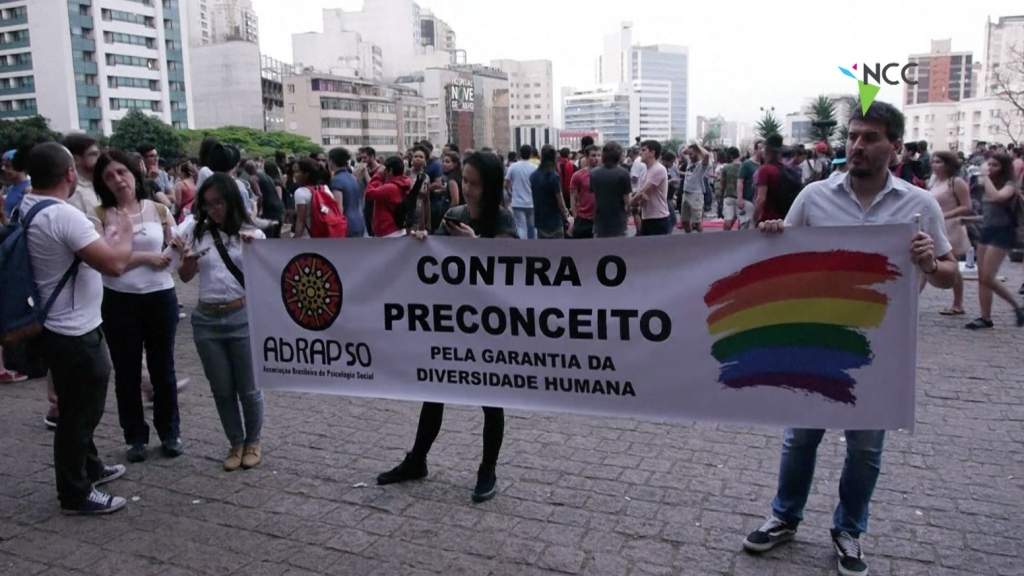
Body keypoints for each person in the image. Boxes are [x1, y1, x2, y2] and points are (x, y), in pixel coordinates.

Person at [745, 101, 957, 576]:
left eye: (871, 138)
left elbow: (947, 277)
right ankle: (784, 516)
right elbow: (778, 256)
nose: (858, 146)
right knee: (800, 437)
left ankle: (849, 530)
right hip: (817, 337)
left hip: (881, 348)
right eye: (854, 136)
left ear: (895, 147)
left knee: (865, 448)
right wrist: (774, 233)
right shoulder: (816, 197)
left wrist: (929, 262)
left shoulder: (919, 205)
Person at [377, 151, 516, 503]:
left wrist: (476, 248)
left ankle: (487, 469)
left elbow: (510, 275)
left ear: (491, 186)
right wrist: (425, 242)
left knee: (490, 399)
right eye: (464, 181)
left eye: (473, 183)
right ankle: (417, 459)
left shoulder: (503, 220)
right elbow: (435, 260)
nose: (466, 189)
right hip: (452, 319)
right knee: (434, 390)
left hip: (488, 324)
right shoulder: (454, 215)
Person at [22, 142, 137, 514]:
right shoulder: (63, 216)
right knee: (79, 413)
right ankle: (75, 491)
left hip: (55, 323)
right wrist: (125, 232)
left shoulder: (26, 205)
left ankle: (90, 467)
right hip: (74, 330)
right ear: (70, 174)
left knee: (75, 404)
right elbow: (114, 264)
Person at [90, 150, 183, 463]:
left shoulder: (157, 209)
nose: (118, 180)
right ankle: (135, 438)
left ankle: (170, 433)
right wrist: (144, 258)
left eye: (122, 172)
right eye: (109, 176)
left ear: (134, 173)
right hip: (119, 300)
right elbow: (103, 261)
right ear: (103, 183)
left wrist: (180, 248)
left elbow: (175, 248)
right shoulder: (100, 215)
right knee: (127, 372)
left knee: (163, 369)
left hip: (160, 296)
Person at [177, 173, 265, 471]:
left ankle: (253, 441)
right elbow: (186, 276)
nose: (214, 210)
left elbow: (265, 278)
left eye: (219, 203)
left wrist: (254, 250)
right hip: (206, 319)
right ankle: (235, 442)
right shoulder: (198, 233)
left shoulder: (252, 234)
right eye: (208, 204)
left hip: (242, 315)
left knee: (249, 387)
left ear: (232, 202)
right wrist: (187, 259)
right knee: (222, 388)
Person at [965, 153, 1024, 330]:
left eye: (995, 165)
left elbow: (997, 198)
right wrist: (968, 219)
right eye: (989, 164)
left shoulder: (1010, 185)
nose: (990, 168)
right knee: (982, 277)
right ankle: (985, 317)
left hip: (1004, 232)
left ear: (1004, 168)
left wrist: (984, 176)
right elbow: (989, 213)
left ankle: (1017, 307)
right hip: (988, 230)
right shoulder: (987, 185)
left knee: (988, 276)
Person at [927, 151, 972, 316]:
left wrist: (947, 214)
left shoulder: (956, 182)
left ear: (947, 164)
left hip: (952, 227)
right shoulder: (934, 181)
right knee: (926, 263)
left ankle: (958, 303)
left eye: (938, 162)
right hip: (935, 226)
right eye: (932, 161)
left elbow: (967, 206)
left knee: (951, 264)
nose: (933, 165)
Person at [591, 142, 632, 238]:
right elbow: (627, 201)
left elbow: (594, 194)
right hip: (618, 222)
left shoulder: (594, 173)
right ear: (618, 156)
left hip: (599, 221)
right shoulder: (623, 173)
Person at [364, 156, 413, 237]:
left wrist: (378, 175)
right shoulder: (404, 182)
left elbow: (369, 193)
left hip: (388, 231)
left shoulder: (391, 187)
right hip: (396, 229)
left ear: (390, 170)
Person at [630, 140, 670, 236]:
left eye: (643, 150)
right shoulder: (644, 171)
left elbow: (642, 191)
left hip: (659, 218)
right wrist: (640, 199)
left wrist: (629, 203)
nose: (640, 153)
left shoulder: (659, 169)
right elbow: (642, 195)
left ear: (652, 153)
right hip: (646, 217)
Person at [530, 145, 569, 239]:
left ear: (541, 156)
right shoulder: (553, 176)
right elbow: (560, 201)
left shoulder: (534, 175)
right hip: (554, 220)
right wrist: (565, 213)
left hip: (540, 218)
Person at [291, 158, 335, 239]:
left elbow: (301, 221)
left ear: (306, 174)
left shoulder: (301, 192)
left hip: (308, 237)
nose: (294, 175)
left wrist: (296, 242)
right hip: (326, 235)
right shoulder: (325, 188)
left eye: (297, 172)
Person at [328, 147, 365, 238]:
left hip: (346, 224)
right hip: (359, 221)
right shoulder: (353, 178)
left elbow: (338, 208)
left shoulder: (336, 180)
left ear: (331, 161)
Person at [504, 144, 538, 239]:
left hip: (517, 202)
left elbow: (506, 183)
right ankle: (533, 248)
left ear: (520, 153)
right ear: (530, 154)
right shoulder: (535, 167)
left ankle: (521, 248)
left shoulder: (513, 167)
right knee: (532, 227)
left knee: (521, 227)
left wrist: (510, 193)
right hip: (532, 202)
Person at [64, 134, 102, 216]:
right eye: (93, 154)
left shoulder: (101, 184)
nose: (100, 158)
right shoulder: (73, 192)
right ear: (76, 159)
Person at [569, 145, 601, 239]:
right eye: (593, 155)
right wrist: (575, 215)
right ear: (586, 158)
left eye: (599, 155)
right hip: (583, 218)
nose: (597, 158)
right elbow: (573, 196)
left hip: (601, 217)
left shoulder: (605, 174)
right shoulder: (578, 175)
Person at [680, 143, 711, 233]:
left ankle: (702, 241)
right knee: (685, 221)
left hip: (696, 194)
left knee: (697, 222)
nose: (689, 156)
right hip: (686, 193)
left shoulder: (702, 164)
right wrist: (690, 146)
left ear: (697, 152)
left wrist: (697, 146)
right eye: (689, 154)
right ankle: (689, 239)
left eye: (691, 154)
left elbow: (706, 154)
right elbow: (682, 152)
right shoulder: (690, 162)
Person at [736, 141, 763, 230]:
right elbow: (740, 181)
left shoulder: (764, 165)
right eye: (760, 148)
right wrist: (740, 198)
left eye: (764, 148)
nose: (762, 151)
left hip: (759, 201)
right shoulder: (747, 164)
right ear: (755, 150)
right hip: (748, 200)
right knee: (746, 224)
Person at [719, 147, 743, 231]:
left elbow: (722, 183)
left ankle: (725, 239)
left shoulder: (726, 167)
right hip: (741, 197)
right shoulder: (744, 166)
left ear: (729, 156)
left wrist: (721, 195)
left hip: (728, 195)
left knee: (728, 220)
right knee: (742, 221)